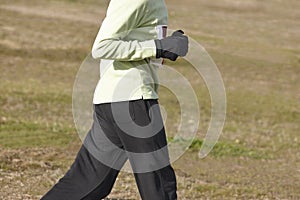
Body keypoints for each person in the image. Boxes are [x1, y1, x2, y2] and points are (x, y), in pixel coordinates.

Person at [41, 0, 188, 199]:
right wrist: (157, 46)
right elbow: (102, 46)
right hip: (133, 101)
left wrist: (167, 45)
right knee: (159, 188)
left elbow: (130, 40)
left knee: (89, 183)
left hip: (113, 102)